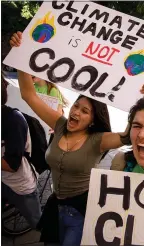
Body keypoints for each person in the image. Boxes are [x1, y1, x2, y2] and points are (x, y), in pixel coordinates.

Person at [10, 31, 133, 245]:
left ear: (93, 121)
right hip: (55, 205)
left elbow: (128, 136)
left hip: (80, 210)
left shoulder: (98, 140)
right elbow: (28, 95)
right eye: (76, 106)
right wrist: (21, 54)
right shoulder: (59, 125)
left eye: (85, 111)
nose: (76, 112)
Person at [1, 77, 42, 229]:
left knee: (38, 224)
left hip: (20, 185)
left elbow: (12, 165)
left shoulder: (13, 121)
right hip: (3, 180)